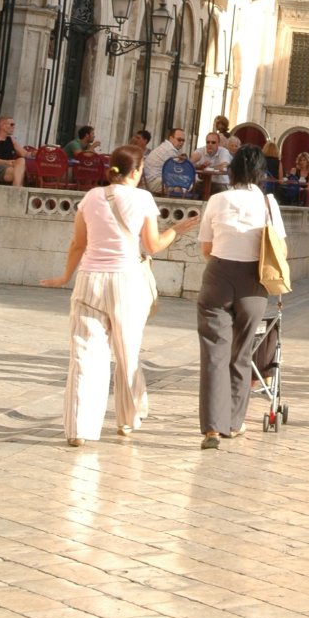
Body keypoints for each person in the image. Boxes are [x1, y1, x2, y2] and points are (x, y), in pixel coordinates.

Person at [40, 146, 200, 445]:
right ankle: (128, 419)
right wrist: (176, 230)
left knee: (84, 355)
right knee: (127, 353)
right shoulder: (142, 199)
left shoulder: (90, 197)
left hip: (89, 280)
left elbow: (78, 243)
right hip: (126, 281)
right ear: (137, 172)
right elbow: (152, 245)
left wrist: (65, 276)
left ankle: (78, 429)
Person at [197, 144, 284, 449]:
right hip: (254, 281)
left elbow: (206, 249)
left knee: (213, 353)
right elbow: (279, 247)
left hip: (218, 276)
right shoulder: (268, 204)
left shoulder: (217, 200)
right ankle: (233, 423)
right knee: (242, 354)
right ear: (261, 172)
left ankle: (212, 428)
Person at [141, 128, 187, 194]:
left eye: (183, 140)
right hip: (154, 183)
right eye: (179, 140)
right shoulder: (170, 150)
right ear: (171, 138)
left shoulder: (166, 147)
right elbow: (178, 171)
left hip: (149, 181)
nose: (181, 142)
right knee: (187, 182)